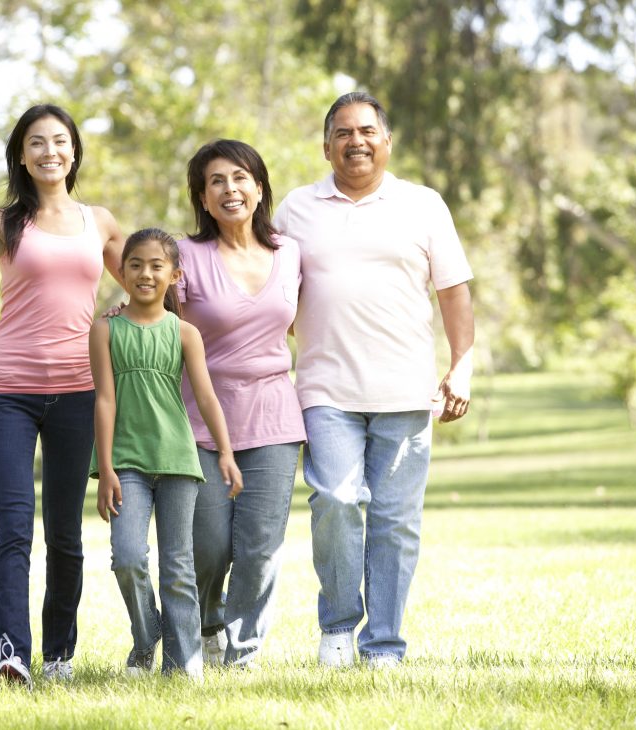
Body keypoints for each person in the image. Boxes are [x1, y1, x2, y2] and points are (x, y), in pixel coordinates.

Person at [274, 92, 474, 668]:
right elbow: (268, 289)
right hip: (325, 388)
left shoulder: (423, 204)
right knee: (335, 500)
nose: (355, 141)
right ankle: (338, 625)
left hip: (407, 392)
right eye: (343, 132)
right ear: (326, 145)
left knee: (395, 522)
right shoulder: (295, 209)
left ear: (386, 141)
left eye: (367, 131)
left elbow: (454, 294)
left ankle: (382, 642)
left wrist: (461, 365)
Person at [0, 104, 125, 688]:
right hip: (8, 392)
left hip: (79, 392)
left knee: (66, 533)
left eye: (59, 141)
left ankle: (58, 652)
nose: (49, 151)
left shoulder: (98, 222)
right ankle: (11, 654)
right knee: (14, 527)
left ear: (74, 152)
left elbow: (151, 279)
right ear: (21, 155)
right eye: (36, 142)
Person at [90, 228, 243, 678]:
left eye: (157, 266)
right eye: (135, 264)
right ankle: (145, 638)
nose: (144, 273)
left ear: (174, 275)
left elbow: (208, 398)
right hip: (126, 464)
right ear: (122, 270)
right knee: (128, 557)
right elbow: (104, 400)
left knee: (178, 566)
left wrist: (226, 454)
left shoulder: (185, 333)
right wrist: (104, 468)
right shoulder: (105, 330)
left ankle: (183, 663)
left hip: (178, 460)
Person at [178, 140, 306, 667]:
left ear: (259, 187)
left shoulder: (290, 253)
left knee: (259, 548)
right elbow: (157, 319)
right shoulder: (186, 256)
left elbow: (306, 321)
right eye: (216, 182)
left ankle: (242, 652)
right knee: (208, 546)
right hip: (201, 418)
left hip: (274, 415)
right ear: (202, 199)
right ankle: (208, 624)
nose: (230, 189)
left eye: (240, 178)